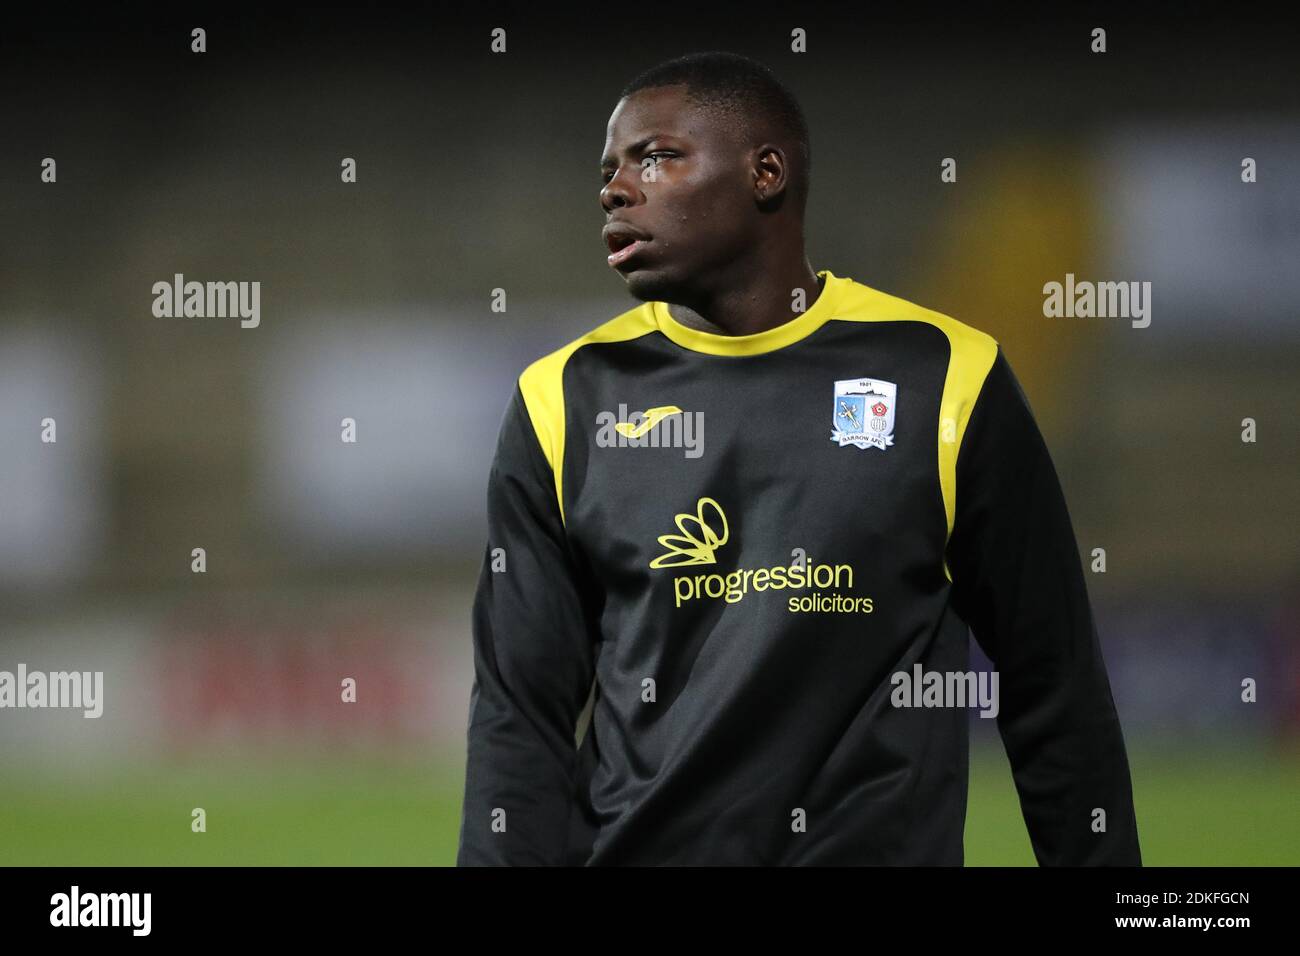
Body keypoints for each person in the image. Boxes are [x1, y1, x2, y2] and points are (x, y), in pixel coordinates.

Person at [456, 50, 1141, 865]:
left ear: (766, 173)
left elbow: (1053, 689)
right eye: (609, 169)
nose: (615, 188)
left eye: (657, 156)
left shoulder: (947, 377)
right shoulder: (564, 400)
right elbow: (519, 714)